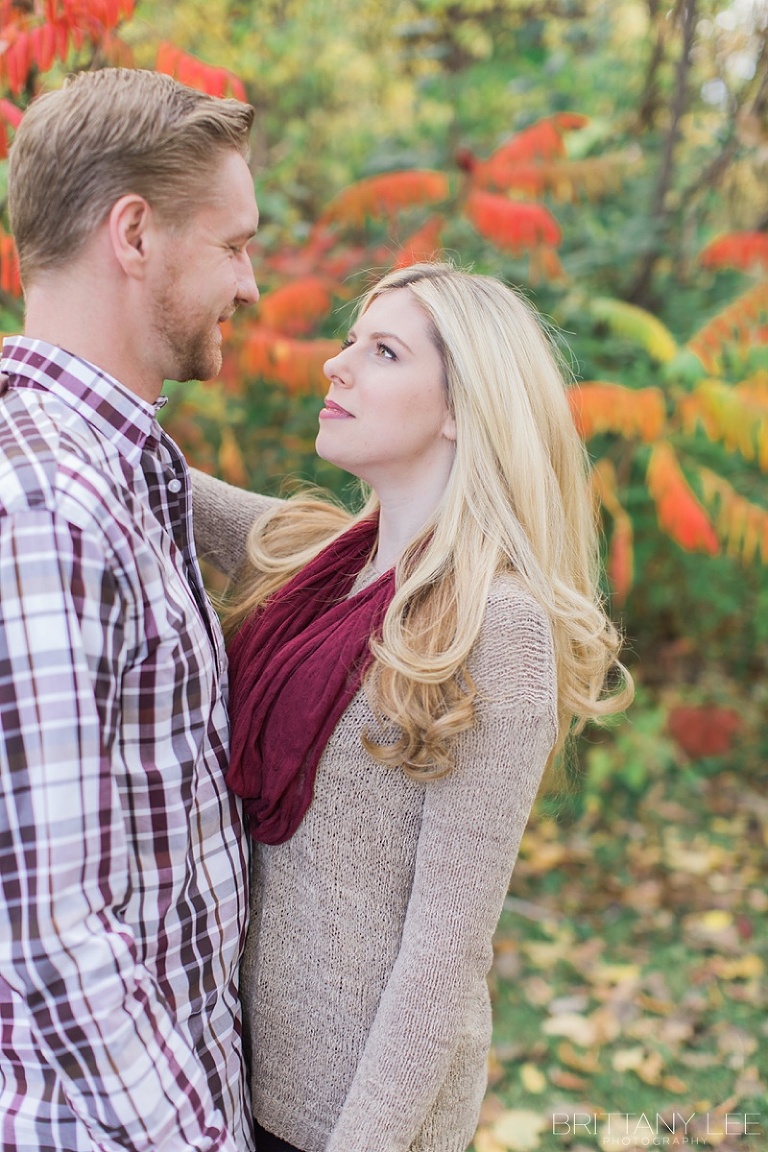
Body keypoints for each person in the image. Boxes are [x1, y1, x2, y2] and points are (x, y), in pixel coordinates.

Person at [191, 261, 634, 1152]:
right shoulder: (324, 565)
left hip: (358, 1119)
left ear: (462, 410)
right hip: (242, 1082)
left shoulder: (494, 626)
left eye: (383, 351)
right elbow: (161, 482)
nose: (336, 366)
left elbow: (444, 957)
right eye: (351, 340)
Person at [0, 69, 260, 1151]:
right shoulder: (44, 501)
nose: (250, 285)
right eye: (236, 244)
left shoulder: (128, 468)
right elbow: (48, 926)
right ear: (136, 234)